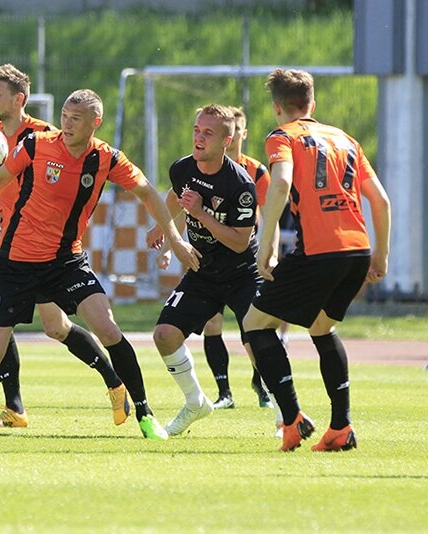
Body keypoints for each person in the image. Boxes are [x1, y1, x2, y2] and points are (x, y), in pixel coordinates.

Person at [0, 88, 201, 439]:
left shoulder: (107, 158)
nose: (67, 123)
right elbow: (0, 177)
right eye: (64, 116)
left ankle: (144, 413)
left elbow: (147, 193)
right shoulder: (36, 145)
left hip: (65, 263)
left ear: (95, 122)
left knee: (109, 330)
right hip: (14, 263)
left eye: (76, 119)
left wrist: (176, 239)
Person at [0, 64, 132, 429]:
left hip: (48, 251)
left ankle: (114, 382)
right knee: (9, 324)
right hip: (13, 244)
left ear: (19, 99)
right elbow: (4, 184)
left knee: (55, 327)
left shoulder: (45, 136)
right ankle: (15, 407)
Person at [243, 68, 391, 452]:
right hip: (357, 250)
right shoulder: (345, 139)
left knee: (255, 325)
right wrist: (380, 253)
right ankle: (341, 427)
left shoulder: (283, 136)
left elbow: (280, 183)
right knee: (322, 328)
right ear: (312, 102)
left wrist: (265, 245)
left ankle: (292, 418)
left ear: (277, 107)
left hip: (320, 252)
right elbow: (380, 200)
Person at [149, 104, 263, 437]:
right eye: (197, 130)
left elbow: (239, 243)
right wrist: (162, 228)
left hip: (242, 273)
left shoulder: (241, 184)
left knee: (258, 340)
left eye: (208, 133)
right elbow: (175, 197)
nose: (198, 138)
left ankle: (284, 417)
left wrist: (200, 214)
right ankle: (196, 401)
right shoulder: (182, 167)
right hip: (202, 271)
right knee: (164, 335)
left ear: (227, 141)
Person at [200, 106, 272, 410]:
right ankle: (224, 392)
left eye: (239, 130)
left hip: (244, 261)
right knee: (211, 324)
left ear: (241, 135)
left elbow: (270, 215)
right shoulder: (203, 167)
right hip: (209, 260)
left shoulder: (255, 172)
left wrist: (270, 252)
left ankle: (261, 383)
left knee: (251, 326)